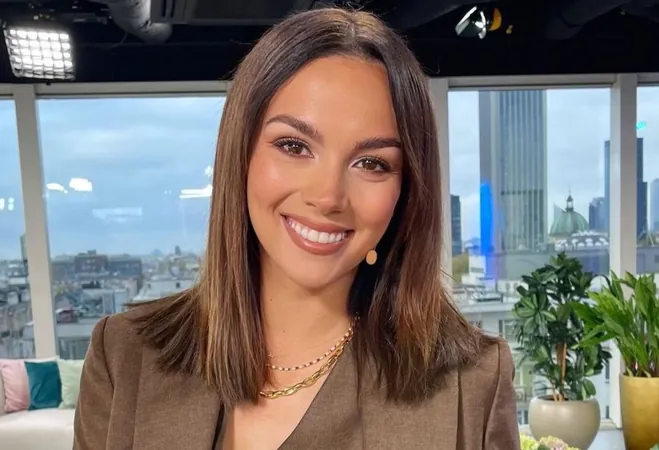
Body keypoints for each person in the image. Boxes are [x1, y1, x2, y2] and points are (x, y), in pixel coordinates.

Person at [73, 7, 520, 450]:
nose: (327, 196)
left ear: (406, 191)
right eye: (294, 146)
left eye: (371, 163)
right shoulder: (125, 357)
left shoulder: (470, 385)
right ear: (241, 154)